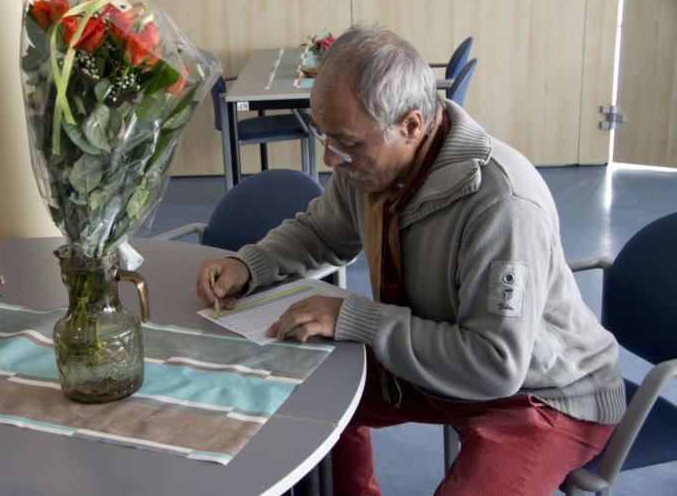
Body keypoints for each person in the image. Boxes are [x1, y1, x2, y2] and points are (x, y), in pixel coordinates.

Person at [196, 25, 625, 495]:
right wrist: (249, 265)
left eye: (346, 142)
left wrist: (353, 317)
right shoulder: (366, 164)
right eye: (326, 137)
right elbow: (321, 232)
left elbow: (494, 365)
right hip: (436, 359)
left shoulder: (503, 203)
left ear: (412, 125)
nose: (330, 157)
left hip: (543, 394)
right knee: (302, 399)